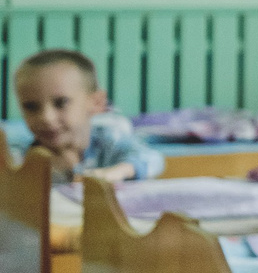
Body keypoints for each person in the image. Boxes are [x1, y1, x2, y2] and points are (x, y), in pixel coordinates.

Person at [11, 50, 163, 183]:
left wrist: (117, 172)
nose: (46, 117)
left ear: (96, 102)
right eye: (30, 107)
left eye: (61, 103)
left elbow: (153, 159)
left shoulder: (107, 141)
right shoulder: (23, 155)